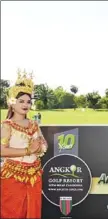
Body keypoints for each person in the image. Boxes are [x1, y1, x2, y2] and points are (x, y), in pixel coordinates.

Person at [0, 70, 48, 219]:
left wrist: (40, 146)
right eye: (21, 101)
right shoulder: (7, 125)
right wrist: (28, 150)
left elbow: (43, 145)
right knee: (12, 212)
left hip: (34, 176)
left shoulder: (33, 124)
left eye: (28, 101)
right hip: (13, 177)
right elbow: (1, 150)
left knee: (33, 212)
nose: (26, 104)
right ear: (12, 103)